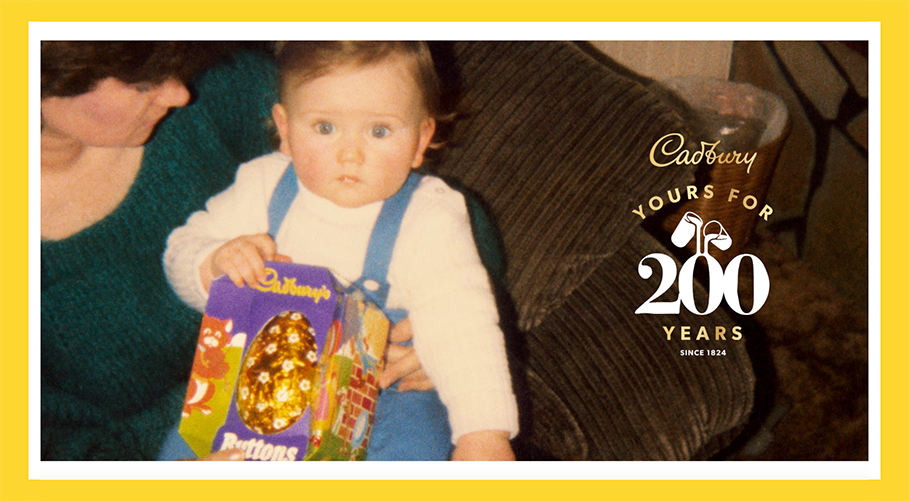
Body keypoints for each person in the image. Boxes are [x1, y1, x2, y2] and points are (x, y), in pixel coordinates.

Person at [40, 42, 438, 461]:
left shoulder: (226, 86)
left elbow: (423, 212)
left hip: (359, 394)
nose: (179, 93)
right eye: (143, 84)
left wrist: (438, 329)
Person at [164, 42, 519, 461]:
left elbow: (464, 325)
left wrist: (483, 434)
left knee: (415, 449)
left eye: (379, 131)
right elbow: (180, 251)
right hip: (260, 376)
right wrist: (216, 261)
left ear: (421, 139)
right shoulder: (261, 185)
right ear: (285, 129)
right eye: (325, 127)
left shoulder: (430, 217)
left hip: (385, 394)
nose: (351, 153)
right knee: (184, 453)